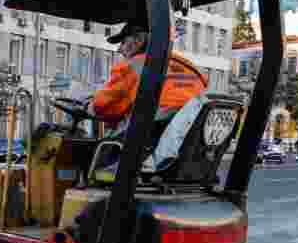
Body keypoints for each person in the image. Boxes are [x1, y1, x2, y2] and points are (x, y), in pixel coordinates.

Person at [84, 20, 208, 175]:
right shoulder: (193, 71)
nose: (119, 49)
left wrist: (86, 106)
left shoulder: (134, 65)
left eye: (123, 42)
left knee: (90, 160)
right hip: (181, 152)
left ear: (138, 40)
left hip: (143, 147)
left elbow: (103, 107)